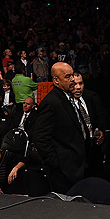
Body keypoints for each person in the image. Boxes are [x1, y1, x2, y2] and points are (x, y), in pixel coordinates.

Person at [34, 62, 86, 193]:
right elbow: (40, 138)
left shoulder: (67, 96)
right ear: (56, 80)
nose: (73, 80)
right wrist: (57, 164)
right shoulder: (51, 102)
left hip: (76, 166)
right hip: (63, 170)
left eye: (72, 75)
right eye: (68, 76)